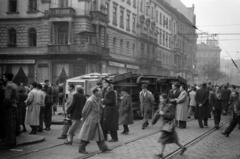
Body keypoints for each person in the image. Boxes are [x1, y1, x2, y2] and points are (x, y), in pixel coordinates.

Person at [78, 87, 111, 154]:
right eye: (99, 91)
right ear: (95, 92)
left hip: (96, 120)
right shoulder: (90, 100)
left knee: (99, 135)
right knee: (87, 135)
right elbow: (84, 111)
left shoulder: (97, 99)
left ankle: (103, 148)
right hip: (90, 121)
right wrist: (84, 119)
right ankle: (81, 149)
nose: (101, 92)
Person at [155, 94, 186, 159]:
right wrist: (154, 120)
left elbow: (172, 115)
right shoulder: (161, 105)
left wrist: (163, 114)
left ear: (165, 99)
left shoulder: (170, 105)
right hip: (165, 125)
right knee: (174, 140)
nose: (160, 100)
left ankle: (161, 153)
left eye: (161, 98)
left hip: (169, 125)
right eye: (160, 98)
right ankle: (183, 148)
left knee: (163, 139)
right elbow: (158, 113)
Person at [1, 73, 18, 149]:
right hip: (14, 106)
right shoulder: (14, 85)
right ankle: (12, 141)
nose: (3, 78)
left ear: (7, 78)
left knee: (9, 125)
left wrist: (3, 106)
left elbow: (7, 98)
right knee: (12, 124)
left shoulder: (9, 86)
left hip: (9, 107)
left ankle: (10, 142)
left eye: (4, 77)